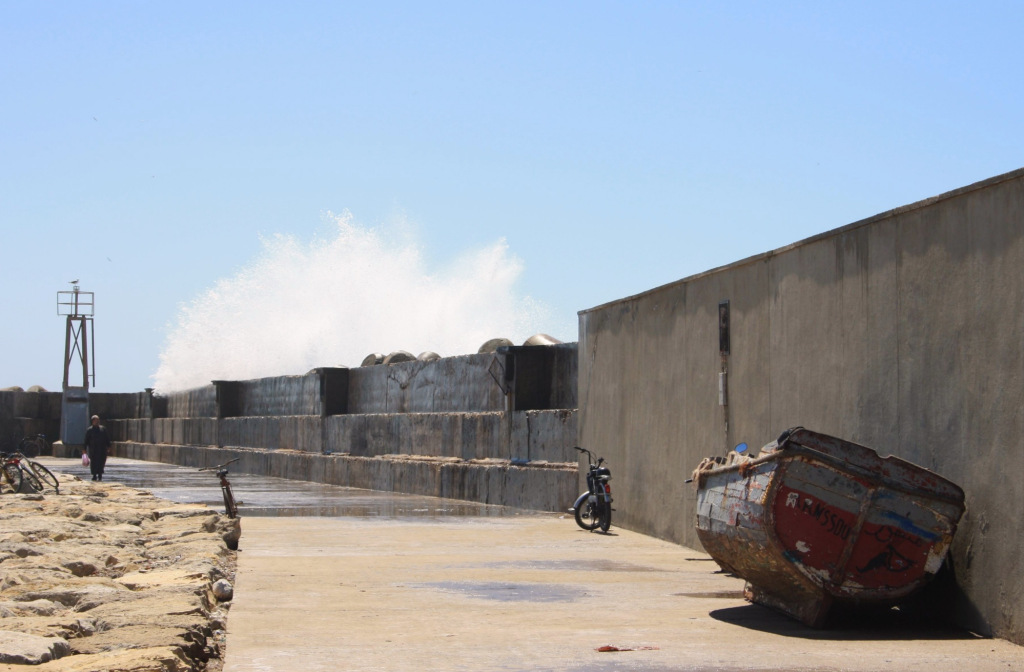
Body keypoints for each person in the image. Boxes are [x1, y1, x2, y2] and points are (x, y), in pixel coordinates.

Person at [83, 415, 111, 481]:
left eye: (98, 420)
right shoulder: (89, 430)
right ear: (92, 421)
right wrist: (84, 449)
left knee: (101, 462)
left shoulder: (103, 429)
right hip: (93, 449)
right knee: (94, 462)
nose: (97, 422)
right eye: (96, 420)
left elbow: (107, 438)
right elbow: (86, 440)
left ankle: (100, 475)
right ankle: (94, 475)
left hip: (102, 449)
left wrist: (109, 446)